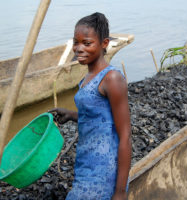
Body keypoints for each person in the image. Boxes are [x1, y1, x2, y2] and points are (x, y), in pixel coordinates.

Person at [50, 12, 131, 200]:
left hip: (104, 167)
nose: (78, 49)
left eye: (87, 43)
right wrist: (71, 115)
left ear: (104, 44)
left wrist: (120, 192)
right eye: (75, 42)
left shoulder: (112, 79)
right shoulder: (86, 79)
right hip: (86, 160)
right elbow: (100, 117)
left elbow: (126, 135)